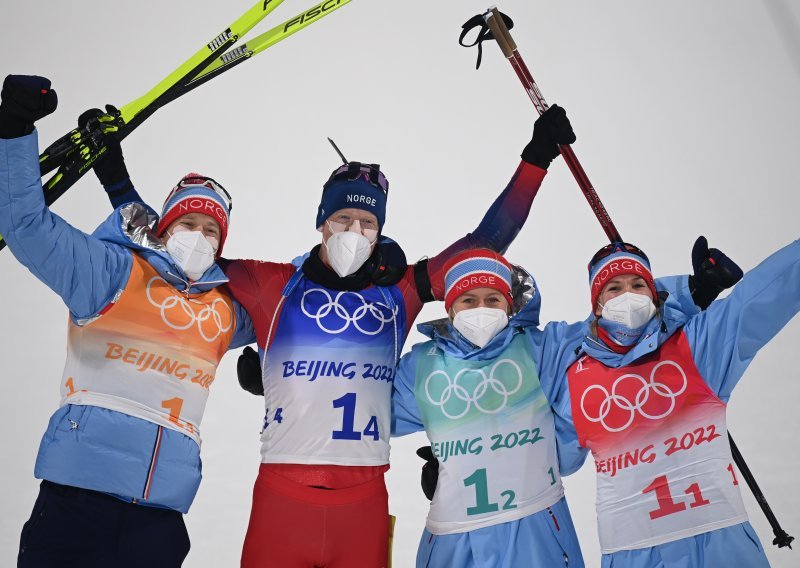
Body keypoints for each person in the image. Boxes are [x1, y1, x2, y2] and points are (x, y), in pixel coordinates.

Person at [90, 97, 579, 565]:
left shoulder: (401, 289)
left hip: (361, 504)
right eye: (342, 217)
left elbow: (485, 244)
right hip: (282, 500)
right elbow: (181, 249)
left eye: (367, 222)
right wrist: (117, 182)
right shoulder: (273, 285)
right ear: (322, 222)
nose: (354, 231)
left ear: (380, 229)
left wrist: (536, 159)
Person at [0, 75, 254, 567]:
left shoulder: (224, 311)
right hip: (76, 506)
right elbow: (26, 225)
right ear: (164, 229)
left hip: (159, 522)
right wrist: (13, 128)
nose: (197, 238)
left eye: (210, 230)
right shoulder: (108, 273)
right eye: (186, 224)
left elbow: (291, 306)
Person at [391, 240, 740, 568]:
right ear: (450, 308)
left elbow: (621, 322)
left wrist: (692, 294)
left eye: (493, 300)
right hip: (453, 534)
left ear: (509, 305)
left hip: (537, 525)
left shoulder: (544, 348)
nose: (481, 310)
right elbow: (367, 407)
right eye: (468, 301)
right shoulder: (421, 365)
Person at [556, 239, 799, 567]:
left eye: (639, 285)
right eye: (613, 288)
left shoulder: (697, 348)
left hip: (720, 544)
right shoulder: (578, 382)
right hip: (635, 555)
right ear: (596, 306)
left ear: (655, 295)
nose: (628, 296)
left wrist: (692, 293)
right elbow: (556, 459)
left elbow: (758, 297)